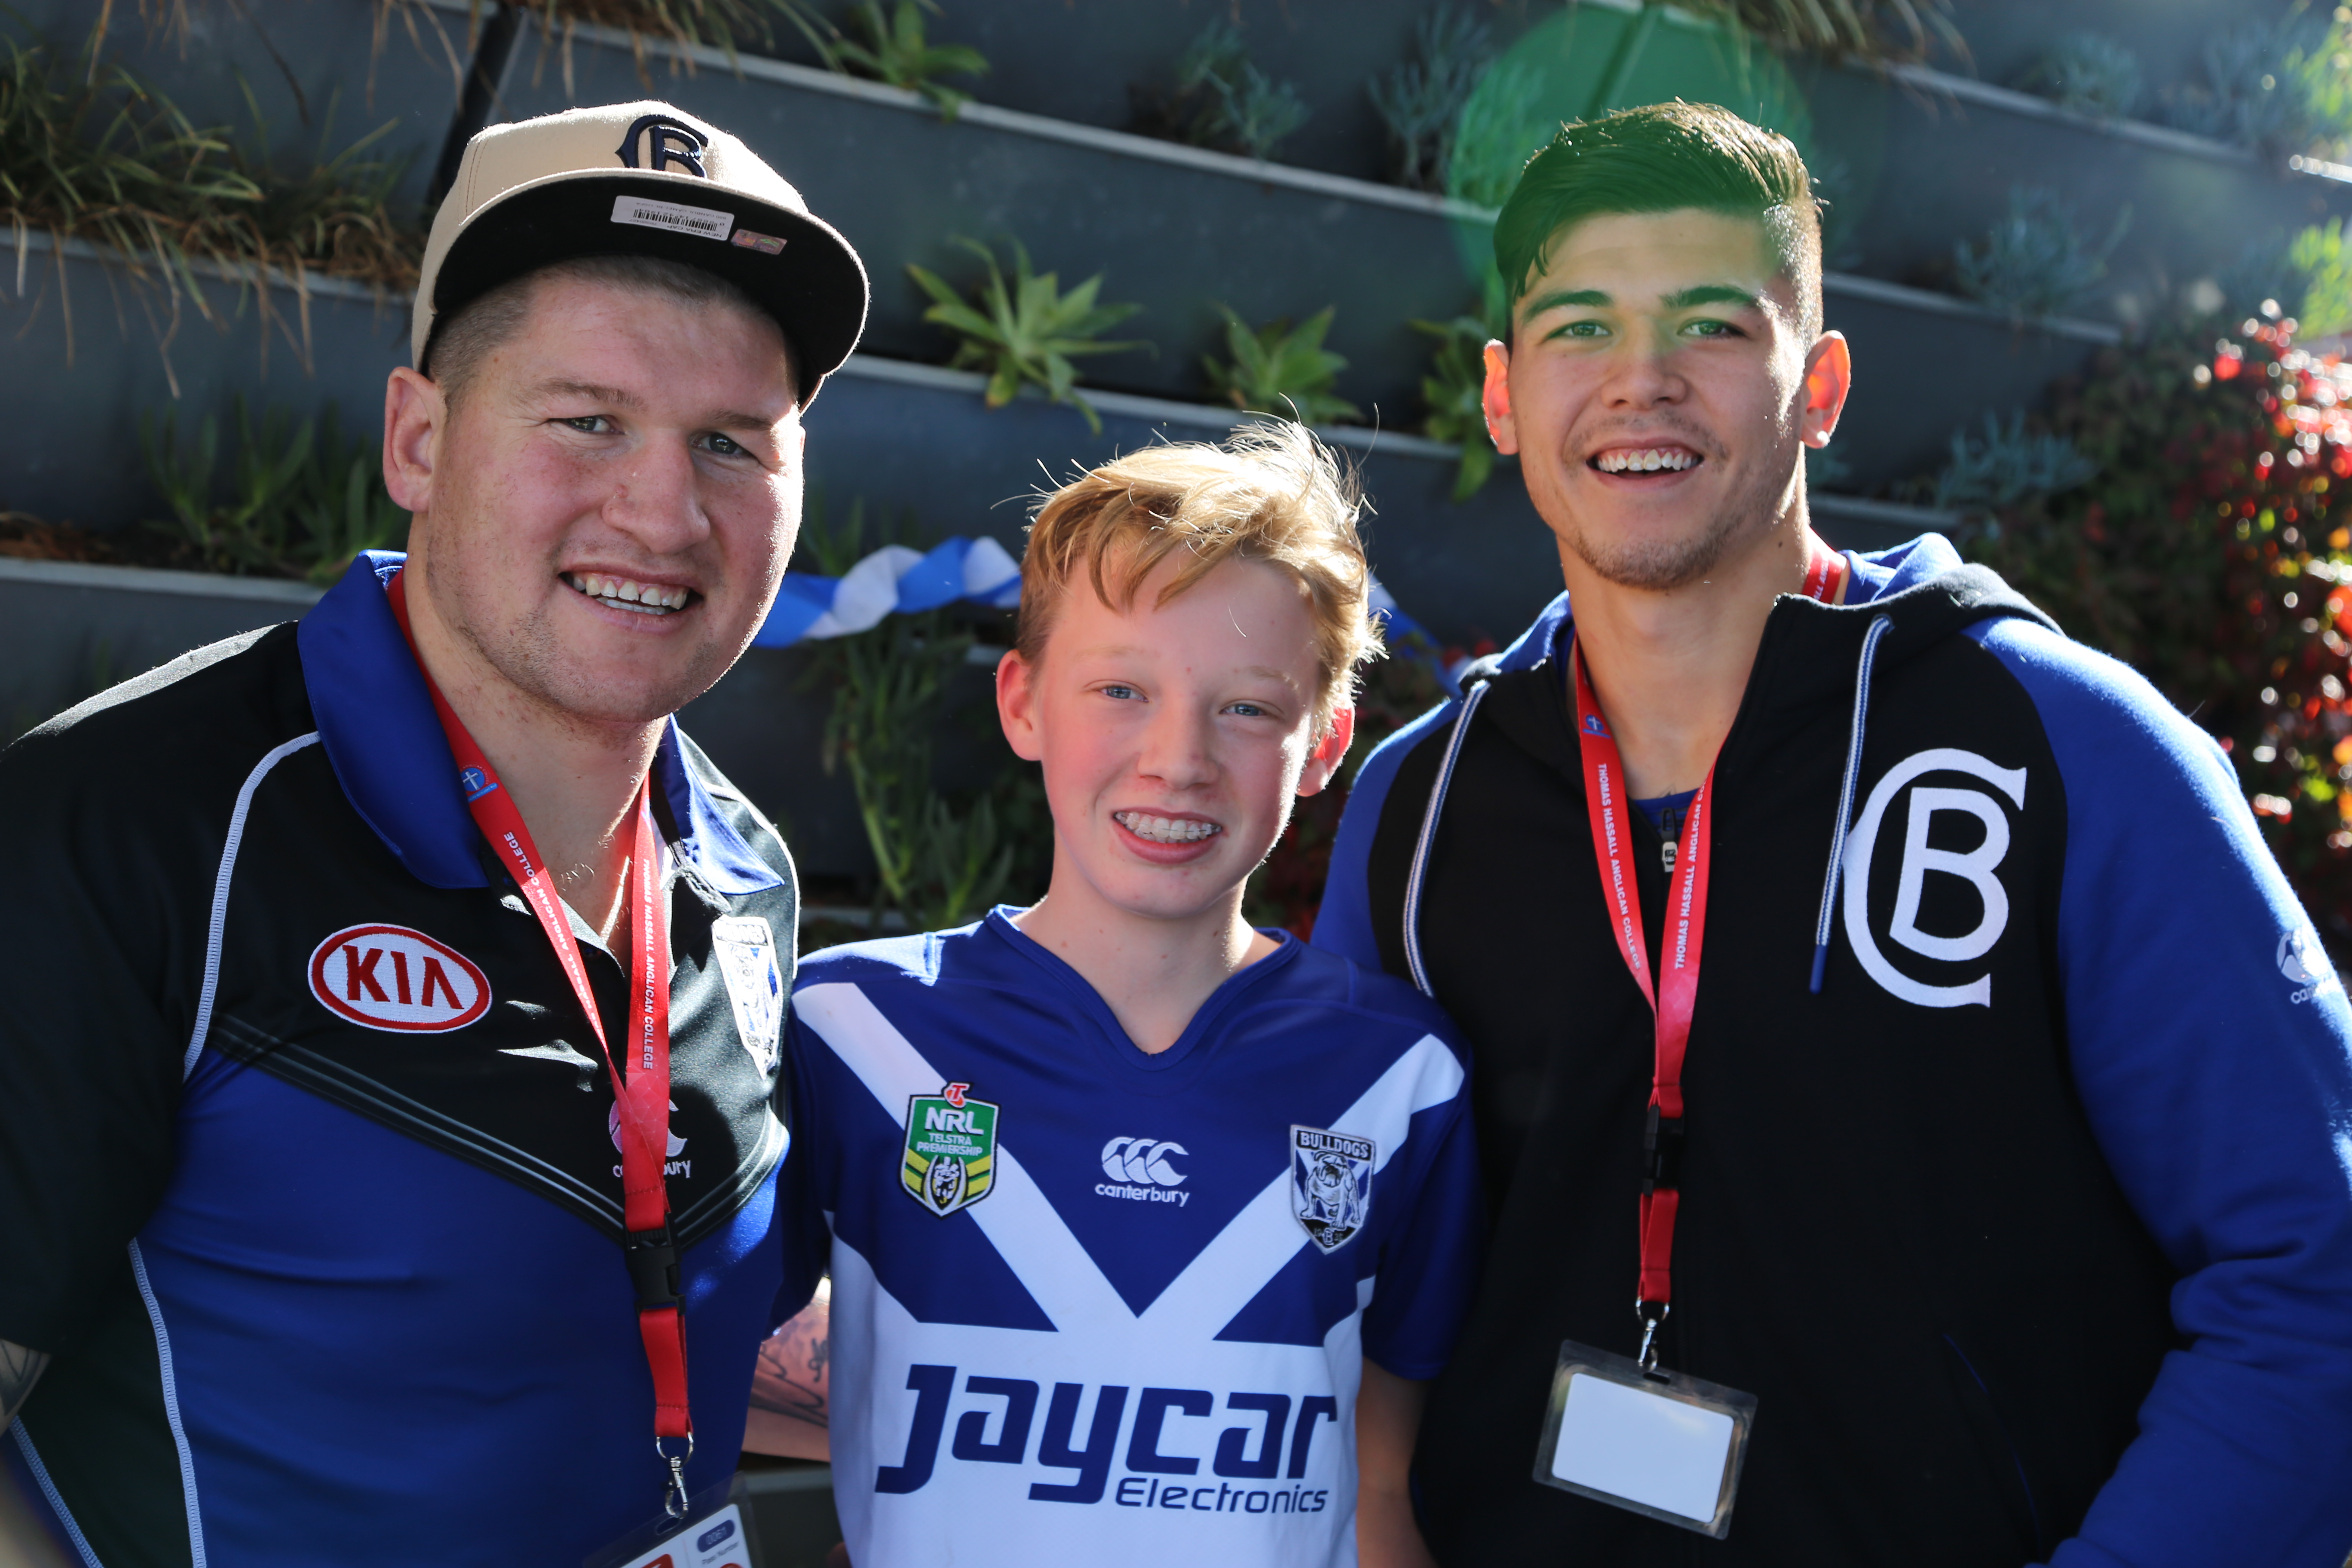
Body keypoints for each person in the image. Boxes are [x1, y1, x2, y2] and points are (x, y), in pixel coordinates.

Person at [1314, 102, 2352, 1566]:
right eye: (1580, 330)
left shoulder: (2065, 751)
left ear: (1824, 384)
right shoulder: (1421, 808)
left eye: (1715, 330)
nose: (1643, 384)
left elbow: (2311, 1269)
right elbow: (1339, 1272)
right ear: (1501, 394)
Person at [0, 99, 867, 1563]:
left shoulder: (743, 868)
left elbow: (664, 1312)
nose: (663, 510)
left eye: (732, 443)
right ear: (419, 437)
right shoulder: (134, 824)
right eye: (586, 419)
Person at [772, 425, 1484, 1567]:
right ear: (1021, 704)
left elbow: (1383, 1481)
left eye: (1248, 707)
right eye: (1119, 688)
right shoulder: (849, 1031)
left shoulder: (1401, 1079)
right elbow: (686, 1370)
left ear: (1326, 742)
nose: (1177, 757)